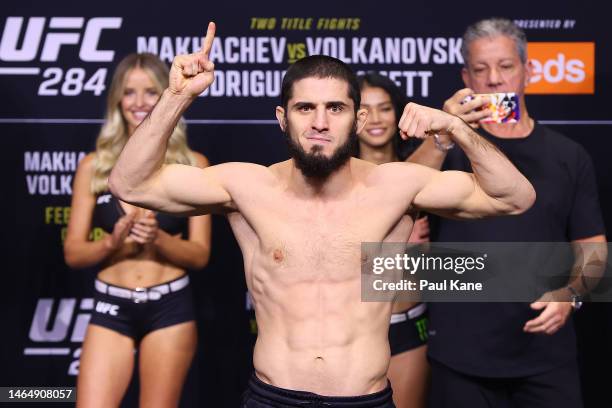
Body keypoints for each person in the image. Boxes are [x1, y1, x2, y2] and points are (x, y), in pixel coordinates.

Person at [109, 22, 535, 406]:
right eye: (304, 108)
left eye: (335, 108)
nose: (320, 122)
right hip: (272, 398)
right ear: (282, 118)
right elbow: (130, 184)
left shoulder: (396, 186)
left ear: (358, 118)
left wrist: (457, 129)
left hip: (363, 400)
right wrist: (177, 95)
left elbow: (513, 198)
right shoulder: (246, 187)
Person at [407, 18, 607, 408]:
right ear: (466, 77)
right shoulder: (446, 150)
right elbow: (403, 195)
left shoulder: (569, 156)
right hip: (459, 357)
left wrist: (571, 295)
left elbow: (594, 248)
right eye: (480, 70)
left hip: (545, 358)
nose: (494, 80)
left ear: (528, 71)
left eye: (505, 66)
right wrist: (445, 134)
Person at [63, 53, 211, 408]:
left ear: (167, 93)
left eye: (150, 92)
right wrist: (111, 243)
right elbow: (73, 253)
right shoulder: (93, 167)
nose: (140, 102)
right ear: (117, 99)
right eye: (129, 92)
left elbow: (200, 255)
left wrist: (158, 238)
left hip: (170, 306)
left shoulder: (194, 164)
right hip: (111, 304)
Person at [357, 72, 429, 408]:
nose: (375, 119)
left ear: (398, 113)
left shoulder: (426, 172)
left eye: (384, 108)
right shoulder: (334, 174)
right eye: (365, 109)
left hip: (407, 321)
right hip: (351, 330)